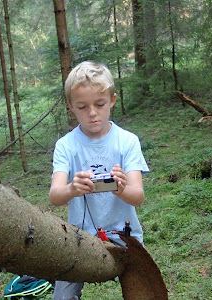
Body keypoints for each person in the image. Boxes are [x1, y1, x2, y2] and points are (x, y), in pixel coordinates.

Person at [49, 61, 149, 300]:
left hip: (127, 237)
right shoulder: (66, 146)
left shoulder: (127, 141)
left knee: (145, 291)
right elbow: (55, 196)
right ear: (71, 107)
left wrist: (121, 189)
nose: (92, 113)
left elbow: (137, 196)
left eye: (100, 104)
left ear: (112, 100)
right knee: (63, 296)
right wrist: (73, 188)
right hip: (80, 237)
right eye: (82, 107)